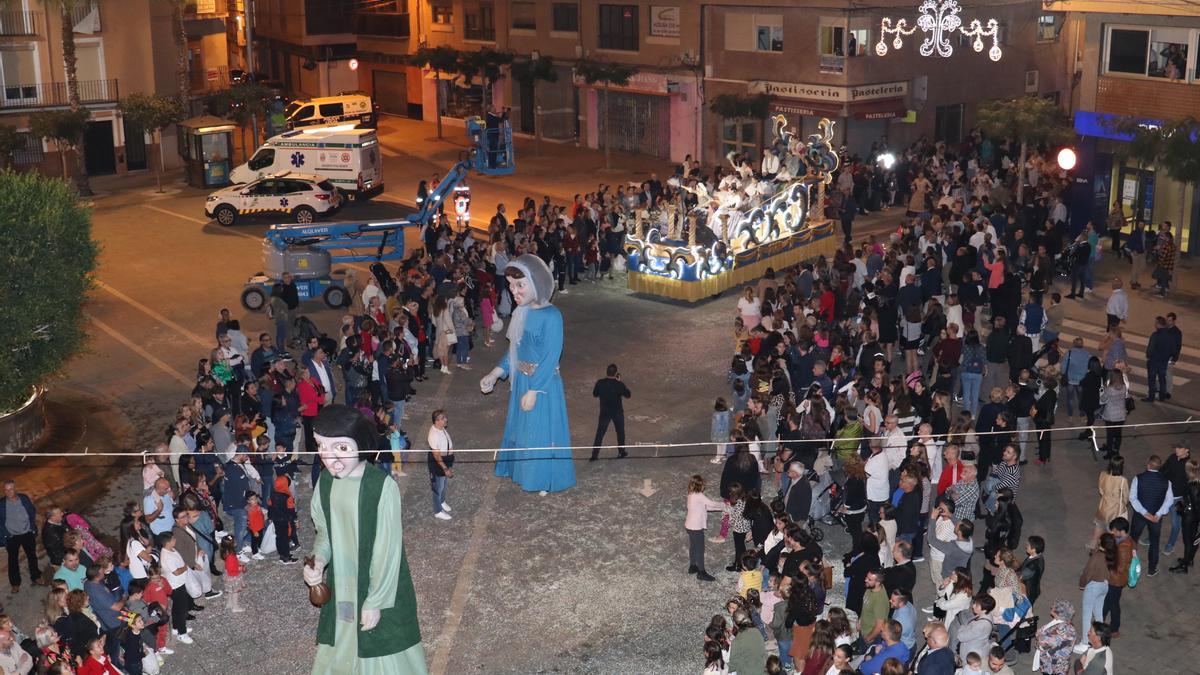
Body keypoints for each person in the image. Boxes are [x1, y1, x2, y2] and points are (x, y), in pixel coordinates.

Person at [302, 406, 427, 673]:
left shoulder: (382, 487)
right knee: (344, 640)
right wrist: (319, 559)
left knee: (381, 651)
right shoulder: (325, 482)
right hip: (343, 585)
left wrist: (375, 600)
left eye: (341, 449)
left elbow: (387, 549)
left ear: (361, 446)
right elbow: (325, 531)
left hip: (378, 586)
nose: (329, 459)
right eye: (322, 447)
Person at [483, 255, 577, 494]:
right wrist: (495, 373)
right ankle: (525, 473)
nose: (514, 291)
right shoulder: (521, 312)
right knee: (523, 430)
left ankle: (543, 478)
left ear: (535, 283)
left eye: (520, 285)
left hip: (542, 384)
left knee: (539, 432)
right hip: (523, 382)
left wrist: (535, 389)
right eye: (511, 286)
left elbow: (551, 357)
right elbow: (515, 350)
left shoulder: (552, 316)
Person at [1129, 454, 1174, 577]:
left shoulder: (1138, 478)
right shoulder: (1167, 482)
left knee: (1133, 539)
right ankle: (1151, 569)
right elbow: (1169, 500)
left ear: (1148, 464)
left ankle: (1129, 562)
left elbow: (1132, 498)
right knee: (1154, 543)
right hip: (1156, 518)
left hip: (1140, 516)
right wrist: (1158, 514)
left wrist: (1144, 513)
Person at [0, 480, 44, 594]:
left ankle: (36, 576)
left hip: (27, 533)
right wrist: (5, 534)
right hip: (12, 536)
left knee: (32, 556)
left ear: (15, 489)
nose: (9, 492)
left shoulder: (23, 498)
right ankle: (15, 583)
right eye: (6, 490)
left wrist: (31, 526)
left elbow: (32, 511)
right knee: (13, 560)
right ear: (4, 491)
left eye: (11, 489)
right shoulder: (1, 504)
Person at [591, 364, 631, 460]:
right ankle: (621, 452)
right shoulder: (619, 385)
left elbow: (595, 394)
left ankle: (594, 455)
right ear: (616, 373)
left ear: (607, 372)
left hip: (605, 412)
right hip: (617, 412)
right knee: (620, 432)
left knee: (600, 433)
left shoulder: (600, 383)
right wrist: (620, 382)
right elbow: (628, 394)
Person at [1089, 456, 1128, 551]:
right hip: (1115, 510)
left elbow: (1101, 490)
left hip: (1103, 506)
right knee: (1113, 532)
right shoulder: (1122, 480)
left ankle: (1093, 546)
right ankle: (1107, 549)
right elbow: (1125, 497)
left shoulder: (1103, 474)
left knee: (1099, 526)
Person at [1169, 458, 1200, 573]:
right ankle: (1189, 559)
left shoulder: (1193, 485)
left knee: (1188, 541)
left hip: (1190, 517)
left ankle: (1184, 566)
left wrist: (1184, 509)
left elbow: (1196, 505)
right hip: (1193, 517)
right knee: (1192, 540)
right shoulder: (1195, 482)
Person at [1034, 600, 1077, 675]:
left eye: (1053, 608)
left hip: (1054, 664)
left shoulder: (1061, 630)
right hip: (1060, 661)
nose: (1051, 607)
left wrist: (1039, 636)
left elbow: (1041, 643)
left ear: (1058, 613)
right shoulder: (1065, 623)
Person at [427, 409, 455, 521]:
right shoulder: (433, 435)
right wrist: (445, 468)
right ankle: (437, 511)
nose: (446, 419)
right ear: (437, 421)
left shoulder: (441, 428)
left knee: (443, 484)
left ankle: (442, 501)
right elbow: (437, 456)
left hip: (446, 459)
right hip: (438, 463)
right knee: (437, 488)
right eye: (443, 418)